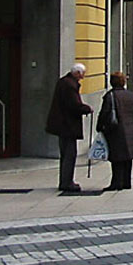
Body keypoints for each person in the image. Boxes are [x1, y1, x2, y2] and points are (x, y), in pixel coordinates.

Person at [45, 63, 93, 192]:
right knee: (69, 154)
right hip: (67, 125)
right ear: (77, 73)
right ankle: (67, 182)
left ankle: (65, 181)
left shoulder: (64, 82)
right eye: (82, 74)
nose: (83, 77)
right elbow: (73, 105)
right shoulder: (70, 86)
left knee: (66, 153)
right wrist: (86, 109)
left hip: (62, 125)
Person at [96, 72, 133, 191]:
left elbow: (104, 112)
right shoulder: (129, 94)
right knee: (128, 157)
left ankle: (116, 182)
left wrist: (100, 126)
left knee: (116, 158)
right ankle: (127, 181)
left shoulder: (110, 96)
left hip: (115, 130)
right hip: (129, 129)